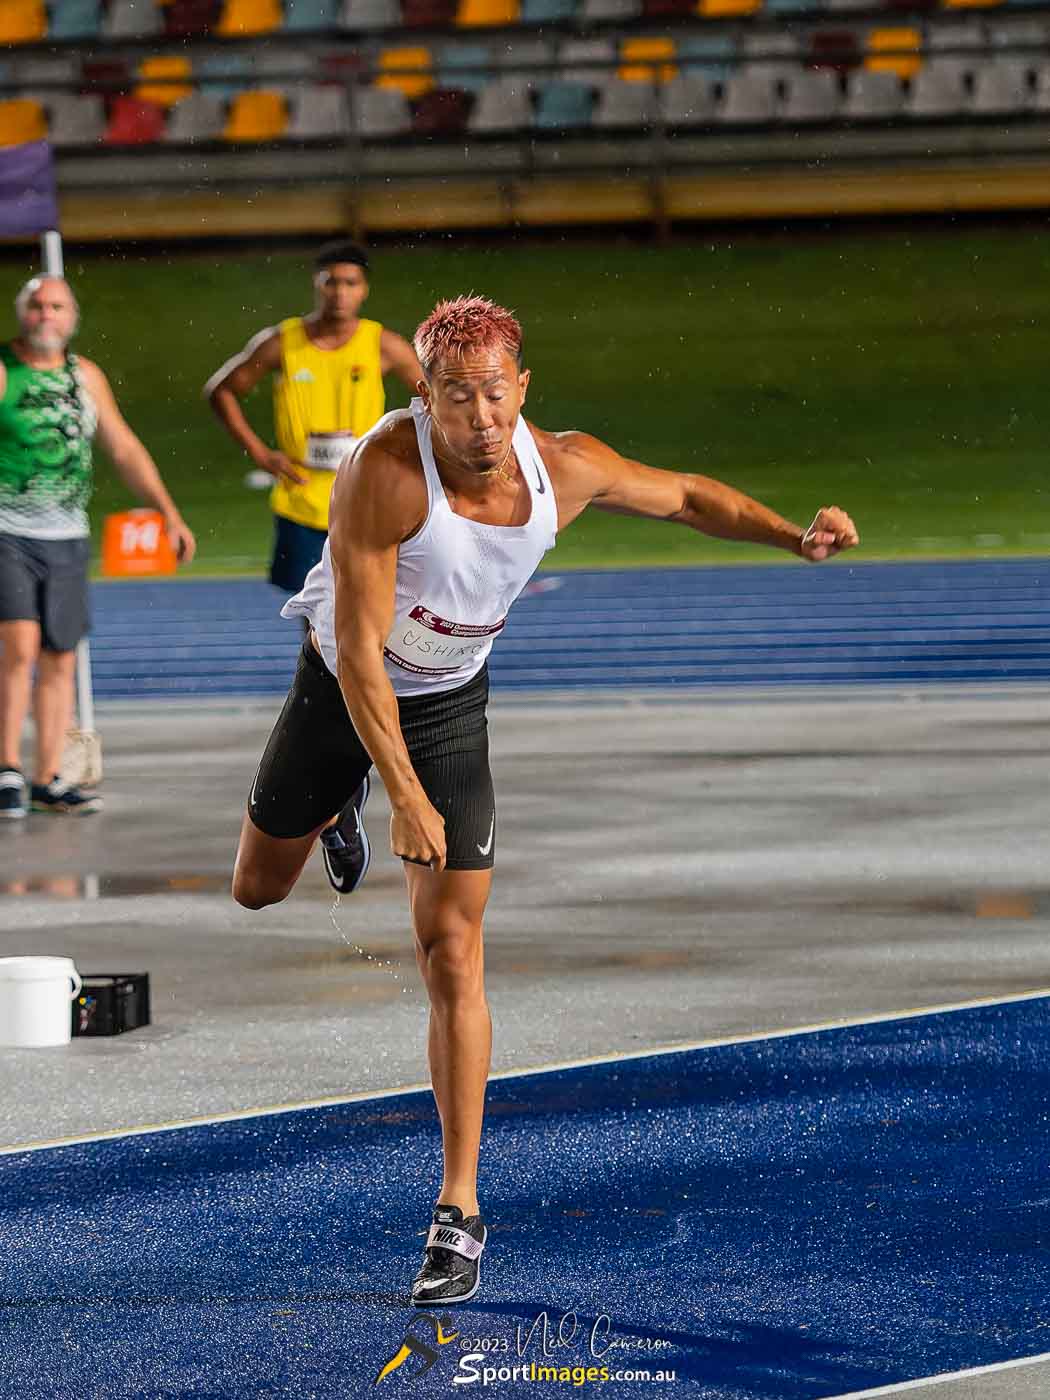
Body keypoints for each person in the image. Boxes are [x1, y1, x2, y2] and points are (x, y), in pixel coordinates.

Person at [231, 295, 859, 1306]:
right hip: (344, 683)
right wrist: (392, 789)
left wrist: (794, 537)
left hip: (447, 709)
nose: (478, 419)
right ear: (420, 394)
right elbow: (355, 649)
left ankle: (459, 1208)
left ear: (522, 390)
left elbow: (690, 494)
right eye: (455, 397)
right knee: (259, 888)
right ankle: (334, 801)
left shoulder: (559, 465)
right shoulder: (384, 474)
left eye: (494, 395)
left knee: (454, 947)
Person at [0, 276, 195, 821]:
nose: (45, 314)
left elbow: (123, 446)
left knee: (60, 655)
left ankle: (46, 778)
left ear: (72, 317)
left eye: (56, 306)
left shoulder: (85, 377)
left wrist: (167, 511)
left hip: (66, 536)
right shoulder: (3, 370)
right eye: (36, 305)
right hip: (6, 530)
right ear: (22, 314)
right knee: (19, 646)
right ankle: (6, 770)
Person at [204, 239, 422, 596]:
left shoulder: (381, 344)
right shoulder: (283, 342)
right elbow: (221, 391)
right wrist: (260, 453)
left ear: (364, 290)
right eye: (331, 281)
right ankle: (318, 655)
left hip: (364, 497)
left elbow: (435, 397)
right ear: (316, 285)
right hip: (301, 498)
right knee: (312, 605)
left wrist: (403, 454)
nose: (340, 292)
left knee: (370, 599)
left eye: (350, 283)